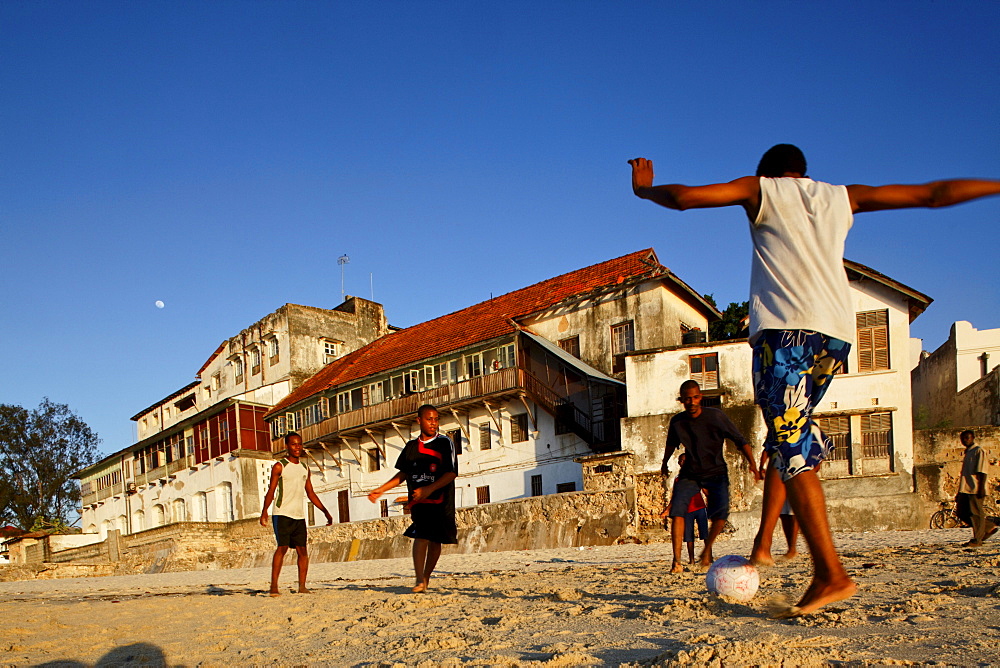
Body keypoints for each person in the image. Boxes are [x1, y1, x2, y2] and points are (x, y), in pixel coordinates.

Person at [630, 144, 1000, 616]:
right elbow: (931, 194)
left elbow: (686, 197)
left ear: (769, 173)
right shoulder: (840, 197)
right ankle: (771, 546)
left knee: (792, 447)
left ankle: (829, 572)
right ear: (803, 171)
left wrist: (646, 190)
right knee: (791, 442)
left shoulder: (760, 189)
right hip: (835, 338)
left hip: (784, 334)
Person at [662, 380, 760, 573]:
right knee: (677, 513)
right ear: (681, 400)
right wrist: (663, 463)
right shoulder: (677, 422)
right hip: (689, 473)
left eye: (695, 397)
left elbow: (740, 440)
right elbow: (670, 444)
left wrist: (752, 464)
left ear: (701, 397)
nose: (691, 402)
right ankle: (676, 562)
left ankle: (707, 550)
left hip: (716, 472)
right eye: (687, 399)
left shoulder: (716, 417)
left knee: (720, 515)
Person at [369, 404, 458, 593]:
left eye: (436, 419)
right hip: (419, 501)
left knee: (435, 541)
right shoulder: (411, 447)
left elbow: (451, 473)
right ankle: (419, 579)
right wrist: (381, 489)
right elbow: (403, 474)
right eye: (429, 419)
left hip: (441, 500)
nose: (433, 423)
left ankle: (425, 578)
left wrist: (429, 489)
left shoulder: (445, 442)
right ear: (419, 421)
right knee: (421, 536)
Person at [259, 432, 333, 596]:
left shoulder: (305, 468)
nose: (297, 447)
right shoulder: (280, 466)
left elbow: (311, 493)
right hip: (282, 513)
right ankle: (274, 587)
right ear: (287, 446)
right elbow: (271, 491)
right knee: (282, 548)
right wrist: (264, 512)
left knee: (303, 551)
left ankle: (302, 586)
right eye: (293, 444)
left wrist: (326, 512)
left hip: (299, 515)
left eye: (299, 444)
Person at [752, 449, 800, 564]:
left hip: (796, 467)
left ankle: (792, 549)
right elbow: (767, 448)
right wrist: (761, 465)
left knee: (793, 512)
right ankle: (766, 544)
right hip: (780, 468)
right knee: (784, 513)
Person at [956, 430, 998, 547]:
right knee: (961, 512)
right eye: (963, 438)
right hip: (965, 488)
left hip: (975, 487)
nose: (965, 440)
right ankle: (988, 527)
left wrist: (981, 488)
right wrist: (959, 492)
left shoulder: (978, 451)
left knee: (976, 514)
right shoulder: (968, 452)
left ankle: (977, 540)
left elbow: (982, 471)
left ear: (973, 438)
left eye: (967, 438)